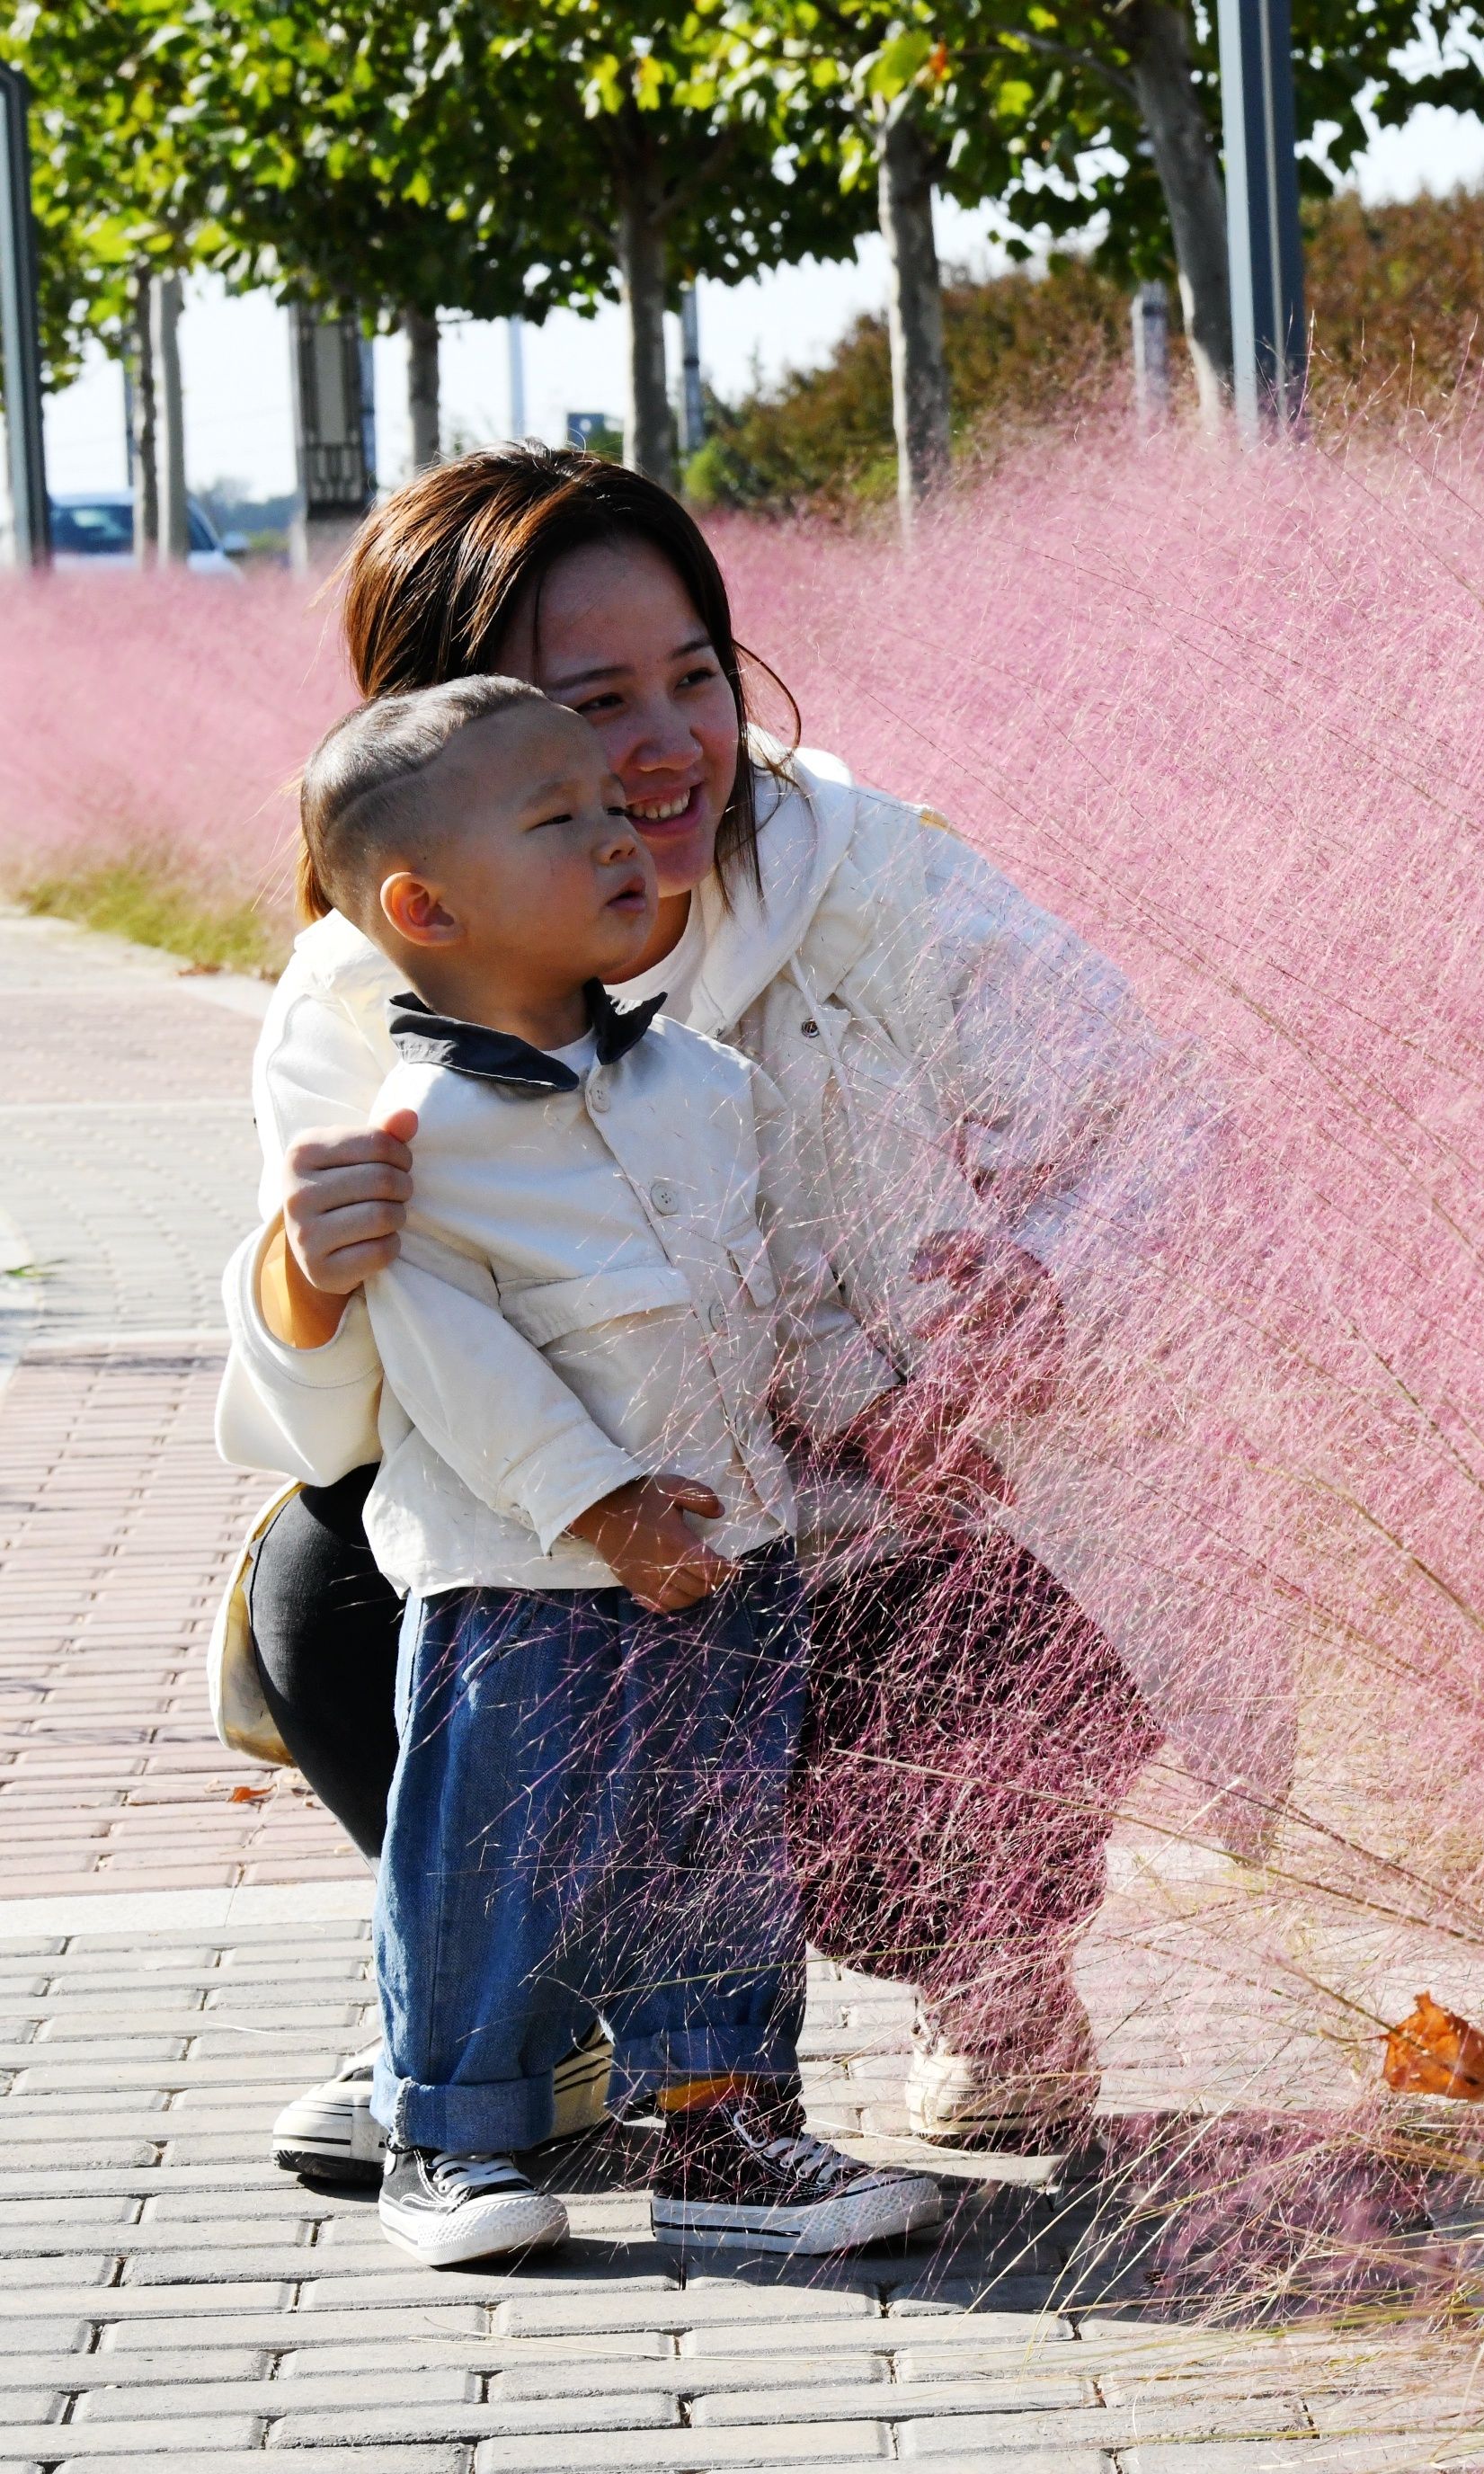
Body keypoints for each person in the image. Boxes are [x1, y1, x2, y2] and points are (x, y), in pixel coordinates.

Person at [218, 446, 1167, 2184]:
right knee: (322, 1587)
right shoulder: (364, 991)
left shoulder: (858, 873)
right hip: (584, 1543)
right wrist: (301, 1279)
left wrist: (1037, 1301)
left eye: (696, 676)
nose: (666, 749)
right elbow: (334, 1423)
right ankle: (520, 2020)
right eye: (592, 707)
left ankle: (995, 1970)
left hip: (883, 1530)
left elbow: (1155, 1121)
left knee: (979, 1661)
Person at [284, 676, 950, 2266]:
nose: (619, 836)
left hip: (730, 1567)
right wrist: (600, 1506)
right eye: (559, 818)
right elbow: (453, 1360)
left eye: (613, 806)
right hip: (523, 1587)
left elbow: (787, 1286)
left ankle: (727, 2131)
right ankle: (454, 2136)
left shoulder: (706, 1088)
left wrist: (874, 1409)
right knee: (495, 1859)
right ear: (426, 909)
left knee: (719, 1854)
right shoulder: (416, 1138)